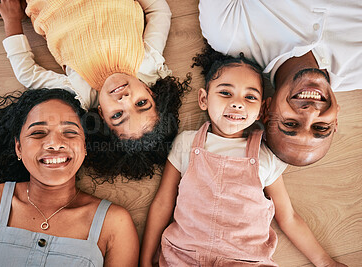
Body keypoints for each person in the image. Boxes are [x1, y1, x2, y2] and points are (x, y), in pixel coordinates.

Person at [140, 47, 346, 266]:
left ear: (261, 111)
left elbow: (287, 217)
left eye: (250, 97)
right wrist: (145, 259)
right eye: (226, 93)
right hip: (183, 255)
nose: (237, 103)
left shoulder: (265, 155)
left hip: (245, 260)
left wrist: (325, 262)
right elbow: (163, 203)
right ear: (203, 99)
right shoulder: (186, 143)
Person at [0, 0, 191, 180]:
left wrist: (11, 20)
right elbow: (158, 11)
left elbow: (28, 74)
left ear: (102, 115)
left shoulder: (81, 92)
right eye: (141, 104)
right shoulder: (148, 63)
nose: (125, 99)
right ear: (151, 92)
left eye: (118, 115)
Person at [0, 89, 139, 266]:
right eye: (38, 133)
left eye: (70, 132)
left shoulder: (115, 223)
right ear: (19, 148)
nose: (55, 144)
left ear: (84, 146)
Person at [198, 0, 362, 166]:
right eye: (320, 127)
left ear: (267, 110)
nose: (310, 112)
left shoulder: (227, 33)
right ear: (335, 119)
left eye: (290, 124)